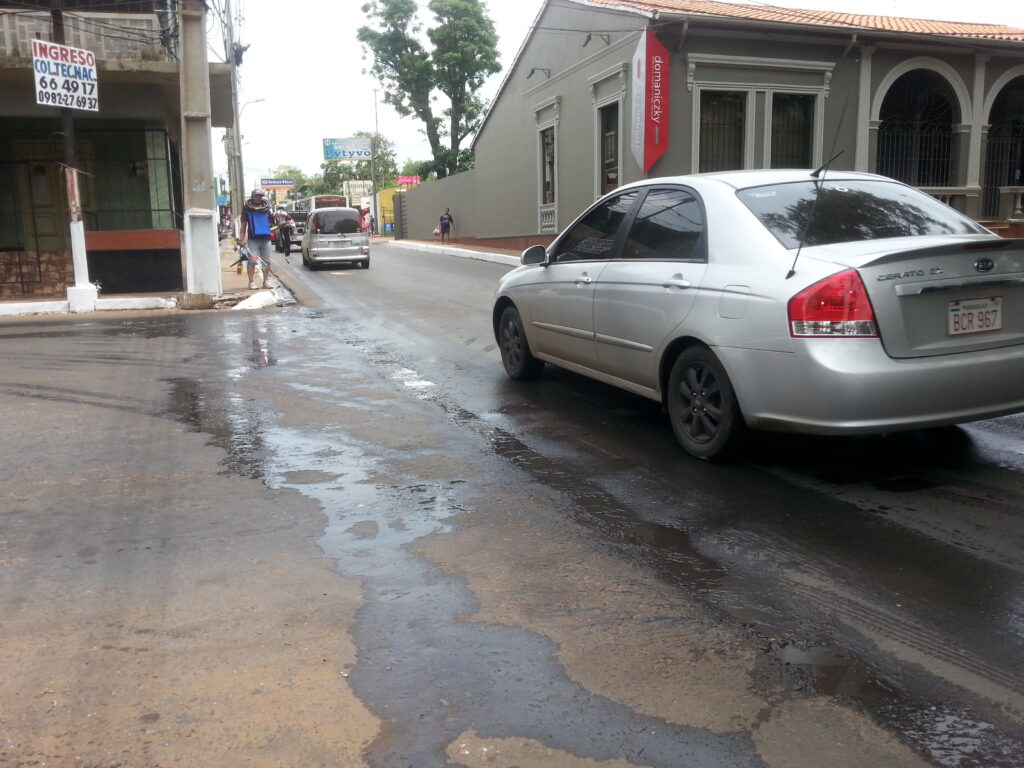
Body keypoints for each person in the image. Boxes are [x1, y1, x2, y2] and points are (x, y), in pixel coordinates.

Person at [239, 188, 274, 289]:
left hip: (266, 240)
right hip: (253, 240)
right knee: (253, 260)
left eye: (260, 196)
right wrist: (242, 239)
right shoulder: (247, 210)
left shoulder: (266, 210)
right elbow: (243, 226)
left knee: (266, 261)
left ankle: (265, 282)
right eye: (256, 196)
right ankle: (251, 282)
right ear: (252, 197)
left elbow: (272, 224)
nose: (258, 198)